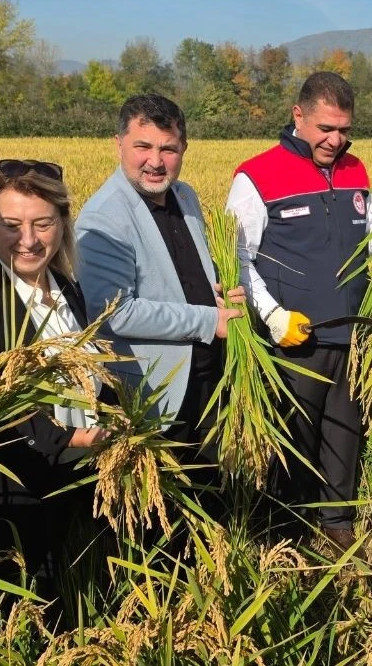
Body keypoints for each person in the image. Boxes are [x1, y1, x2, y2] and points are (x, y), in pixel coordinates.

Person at [226, 72, 372, 550]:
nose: (336, 140)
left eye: (344, 130)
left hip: (352, 335)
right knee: (292, 444)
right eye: (326, 129)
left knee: (343, 439)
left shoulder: (356, 171)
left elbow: (365, 247)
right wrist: (273, 317)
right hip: (293, 340)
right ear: (299, 116)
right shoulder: (256, 175)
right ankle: (284, 539)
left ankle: (338, 533)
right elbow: (237, 258)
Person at [0, 159, 107, 587]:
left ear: (63, 224)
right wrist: (81, 440)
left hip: (74, 490)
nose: (27, 240)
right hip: (12, 507)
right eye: (11, 224)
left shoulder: (69, 290)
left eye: (42, 223)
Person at [76, 95, 243, 472]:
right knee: (159, 509)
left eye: (168, 148)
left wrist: (218, 290)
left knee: (207, 487)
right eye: (143, 146)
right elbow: (113, 313)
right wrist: (207, 321)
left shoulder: (185, 196)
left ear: (184, 148)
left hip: (204, 378)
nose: (155, 161)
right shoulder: (104, 219)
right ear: (118, 144)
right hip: (153, 391)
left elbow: (184, 274)